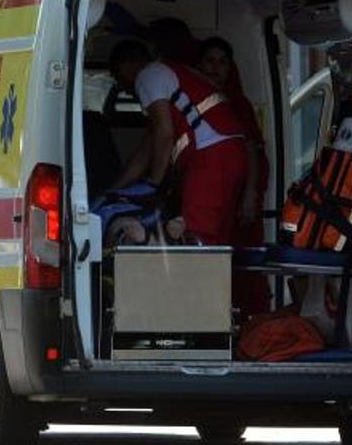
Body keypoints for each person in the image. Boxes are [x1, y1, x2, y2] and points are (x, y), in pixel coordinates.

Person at [110, 40, 247, 246]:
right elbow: (146, 151)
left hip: (210, 160)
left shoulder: (148, 76)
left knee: (196, 236)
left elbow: (164, 134)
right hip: (230, 153)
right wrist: (113, 191)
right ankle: (216, 278)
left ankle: (200, 278)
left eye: (118, 78)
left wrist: (153, 185)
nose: (123, 88)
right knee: (217, 238)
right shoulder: (170, 75)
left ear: (127, 66)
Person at [198, 36, 271, 314]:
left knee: (240, 262)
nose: (215, 68)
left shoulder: (237, 104)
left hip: (238, 199)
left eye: (222, 62)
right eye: (209, 61)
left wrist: (250, 195)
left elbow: (251, 148)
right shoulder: (195, 99)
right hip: (212, 197)